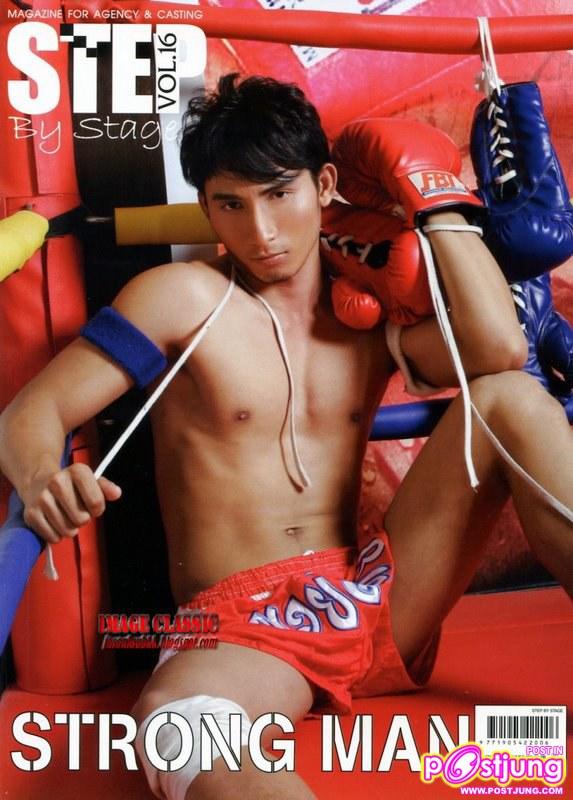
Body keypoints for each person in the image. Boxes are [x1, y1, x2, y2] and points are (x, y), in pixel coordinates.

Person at [0, 73, 571, 800]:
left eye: (279, 194)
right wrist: (42, 480)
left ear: (323, 184)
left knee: (509, 399)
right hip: (242, 626)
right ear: (206, 206)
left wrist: (437, 204)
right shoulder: (184, 300)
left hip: (371, 590)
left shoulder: (364, 314)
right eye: (230, 204)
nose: (261, 232)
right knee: (182, 727)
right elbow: (31, 413)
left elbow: (498, 349)